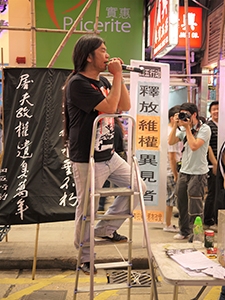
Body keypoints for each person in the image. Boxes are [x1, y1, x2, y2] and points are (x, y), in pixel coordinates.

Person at [63, 34, 146, 275]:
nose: (107, 54)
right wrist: (117, 75)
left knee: (137, 186)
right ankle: (85, 257)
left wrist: (117, 77)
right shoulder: (77, 83)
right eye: (102, 50)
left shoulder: (103, 82)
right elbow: (109, 108)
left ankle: (106, 228)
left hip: (109, 153)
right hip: (86, 156)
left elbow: (125, 106)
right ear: (89, 56)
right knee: (87, 207)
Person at [169, 103, 211, 240]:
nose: (184, 117)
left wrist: (187, 128)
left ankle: (196, 234)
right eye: (182, 115)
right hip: (184, 171)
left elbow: (194, 146)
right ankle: (184, 231)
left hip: (198, 173)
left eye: (186, 114)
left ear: (194, 115)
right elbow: (171, 141)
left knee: (195, 205)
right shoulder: (185, 129)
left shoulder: (204, 129)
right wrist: (176, 124)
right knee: (180, 202)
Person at [98, 117, 127, 212]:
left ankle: (100, 206)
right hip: (117, 158)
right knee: (118, 187)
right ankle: (117, 207)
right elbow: (120, 146)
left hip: (104, 158)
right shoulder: (118, 127)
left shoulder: (104, 127)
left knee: (103, 185)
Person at [163, 105, 182, 232]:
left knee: (170, 197)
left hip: (168, 168)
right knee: (170, 198)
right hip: (170, 169)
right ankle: (168, 224)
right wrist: (175, 174)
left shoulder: (167, 130)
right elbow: (172, 157)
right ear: (172, 118)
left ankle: (167, 223)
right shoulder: (172, 132)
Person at [204, 101, 219, 229]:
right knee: (212, 192)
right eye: (214, 109)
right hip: (212, 164)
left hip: (222, 164)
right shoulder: (208, 126)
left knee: (220, 192)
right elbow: (207, 146)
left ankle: (217, 218)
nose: (216, 111)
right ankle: (209, 220)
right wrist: (214, 163)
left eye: (219, 109)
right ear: (210, 111)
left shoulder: (223, 125)